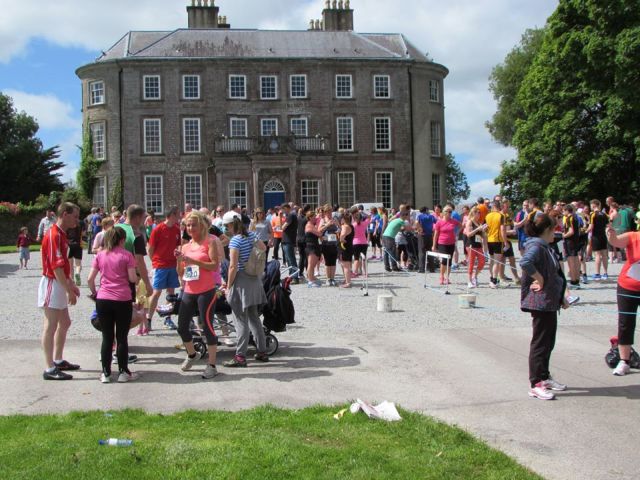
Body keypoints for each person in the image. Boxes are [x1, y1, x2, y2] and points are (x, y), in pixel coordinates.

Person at [520, 212, 569, 400]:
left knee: (549, 341)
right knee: (540, 343)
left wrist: (561, 297)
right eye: (554, 228)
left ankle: (544, 376)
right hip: (540, 303)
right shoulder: (537, 246)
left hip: (549, 302)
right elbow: (525, 262)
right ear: (547, 230)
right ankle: (535, 383)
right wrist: (539, 278)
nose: (556, 232)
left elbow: (556, 274)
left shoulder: (546, 246)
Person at [87, 227, 139, 383]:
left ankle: (106, 373)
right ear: (122, 240)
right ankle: (123, 372)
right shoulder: (127, 255)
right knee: (122, 337)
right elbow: (132, 278)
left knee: (107, 337)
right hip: (122, 299)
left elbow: (90, 279)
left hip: (103, 298)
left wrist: (95, 293)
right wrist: (136, 277)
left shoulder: (100, 255)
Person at [38, 202, 81, 380]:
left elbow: (63, 265)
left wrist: (71, 284)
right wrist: (68, 290)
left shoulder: (61, 234)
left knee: (65, 322)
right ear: (64, 214)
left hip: (59, 282)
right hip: (52, 283)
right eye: (75, 216)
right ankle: (49, 368)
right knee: (51, 324)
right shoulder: (54, 235)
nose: (77, 220)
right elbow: (55, 268)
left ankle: (58, 359)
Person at [175, 211, 220, 379]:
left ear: (201, 226)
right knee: (181, 327)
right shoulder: (185, 247)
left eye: (194, 225)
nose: (190, 228)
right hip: (189, 290)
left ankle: (212, 365)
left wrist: (193, 261)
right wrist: (179, 260)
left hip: (206, 290)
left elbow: (214, 266)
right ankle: (193, 354)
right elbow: (180, 271)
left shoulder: (210, 242)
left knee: (207, 327)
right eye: (188, 225)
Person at [222, 211, 269, 367]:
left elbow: (233, 266)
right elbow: (263, 247)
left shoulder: (235, 240)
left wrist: (228, 287)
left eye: (226, 226)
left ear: (230, 225)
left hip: (241, 281)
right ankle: (262, 351)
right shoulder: (251, 235)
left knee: (240, 320)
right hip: (254, 280)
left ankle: (240, 356)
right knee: (254, 318)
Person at [605, 223, 640, 376]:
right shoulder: (633, 236)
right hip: (628, 286)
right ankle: (624, 361)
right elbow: (616, 241)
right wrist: (611, 234)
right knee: (626, 323)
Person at [145, 206, 182, 334]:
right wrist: (154, 262)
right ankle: (148, 319)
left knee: (171, 294)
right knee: (156, 293)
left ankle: (167, 318)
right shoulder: (158, 229)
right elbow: (150, 248)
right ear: (172, 215)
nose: (179, 217)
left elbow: (178, 246)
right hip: (160, 265)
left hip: (172, 265)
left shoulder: (177, 229)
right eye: (177, 214)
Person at [432, 206, 460, 285]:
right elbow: (436, 235)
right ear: (444, 212)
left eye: (450, 212)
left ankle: (447, 277)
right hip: (442, 243)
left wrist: (457, 233)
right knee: (444, 260)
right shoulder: (439, 222)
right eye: (448, 211)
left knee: (449, 261)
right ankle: (441, 276)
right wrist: (434, 245)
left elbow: (461, 225)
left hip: (451, 243)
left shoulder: (453, 221)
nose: (449, 213)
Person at [485, 201, 509, 288]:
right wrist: (505, 242)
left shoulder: (487, 216)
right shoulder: (501, 216)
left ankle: (492, 279)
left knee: (491, 260)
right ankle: (494, 280)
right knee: (497, 261)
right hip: (498, 240)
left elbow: (485, 228)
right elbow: (503, 230)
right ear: (499, 207)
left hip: (489, 240)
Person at [464, 207, 488, 288]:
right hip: (471, 245)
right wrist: (478, 229)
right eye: (477, 212)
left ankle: (475, 276)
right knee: (471, 263)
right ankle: (469, 281)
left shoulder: (479, 223)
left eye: (479, 212)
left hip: (478, 245)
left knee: (482, 261)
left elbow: (483, 236)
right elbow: (468, 234)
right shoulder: (469, 222)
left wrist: (484, 230)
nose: (479, 214)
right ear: (473, 213)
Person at [588, 199, 609, 280]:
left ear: (593, 205)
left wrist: (585, 231)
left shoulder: (593, 214)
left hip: (596, 236)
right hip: (603, 236)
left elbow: (591, 227)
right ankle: (605, 273)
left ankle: (597, 273)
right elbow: (608, 225)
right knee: (604, 255)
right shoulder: (604, 214)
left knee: (597, 255)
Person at [319, 204, 340, 286]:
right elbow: (319, 231)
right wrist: (327, 225)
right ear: (325, 212)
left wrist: (338, 229)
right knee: (327, 262)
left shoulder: (335, 219)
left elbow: (340, 228)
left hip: (334, 243)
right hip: (326, 243)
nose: (330, 213)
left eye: (330, 211)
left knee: (333, 262)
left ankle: (333, 278)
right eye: (328, 212)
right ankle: (328, 279)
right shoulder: (323, 220)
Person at [281, 204, 300, 282]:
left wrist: (281, 218)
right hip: (286, 240)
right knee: (289, 259)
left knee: (291, 259)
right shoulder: (290, 215)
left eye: (283, 209)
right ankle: (291, 276)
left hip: (289, 240)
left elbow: (283, 227)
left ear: (287, 208)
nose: (282, 211)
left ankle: (295, 277)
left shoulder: (291, 215)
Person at [415, 206, 437, 273]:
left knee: (421, 252)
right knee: (430, 251)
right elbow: (437, 222)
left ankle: (422, 269)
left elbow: (416, 222)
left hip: (422, 235)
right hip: (430, 235)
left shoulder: (420, 216)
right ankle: (432, 268)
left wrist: (419, 229)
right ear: (426, 210)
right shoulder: (431, 216)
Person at [351, 209, 370, 277]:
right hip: (364, 242)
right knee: (364, 258)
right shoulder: (364, 223)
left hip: (355, 242)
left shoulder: (353, 225)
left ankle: (355, 272)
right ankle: (365, 273)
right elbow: (369, 217)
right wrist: (362, 212)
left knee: (356, 258)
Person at [66, 217, 85, 286]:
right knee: (78, 264)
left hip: (69, 245)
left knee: (70, 265)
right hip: (78, 245)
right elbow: (83, 233)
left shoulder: (67, 222)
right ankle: (77, 273)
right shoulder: (81, 222)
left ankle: (72, 280)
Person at [338, 212, 355, 288]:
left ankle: (348, 282)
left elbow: (342, 237)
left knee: (345, 266)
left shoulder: (345, 227)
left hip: (344, 248)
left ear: (344, 219)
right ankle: (347, 280)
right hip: (349, 247)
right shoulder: (351, 226)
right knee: (346, 265)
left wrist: (341, 239)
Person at [296, 205, 311, 280]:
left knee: (301, 257)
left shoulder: (298, 217)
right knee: (307, 257)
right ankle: (308, 272)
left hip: (299, 238)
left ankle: (300, 273)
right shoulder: (307, 218)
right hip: (305, 239)